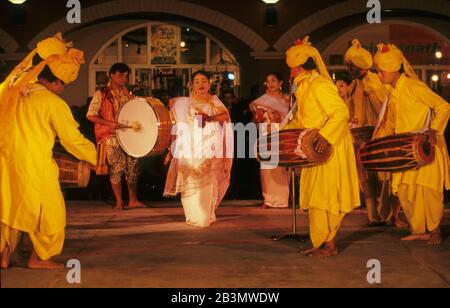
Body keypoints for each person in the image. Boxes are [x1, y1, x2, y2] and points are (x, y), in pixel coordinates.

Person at [0, 33, 97, 269]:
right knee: (50, 211)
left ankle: (4, 254)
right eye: (64, 84)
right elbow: (72, 139)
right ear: (57, 81)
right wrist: (95, 157)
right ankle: (38, 258)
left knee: (9, 204)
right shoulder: (53, 103)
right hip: (35, 164)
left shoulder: (10, 90)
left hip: (5, 160)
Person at [283, 37, 360, 257]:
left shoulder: (320, 85)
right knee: (318, 196)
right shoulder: (305, 86)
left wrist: (325, 137)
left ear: (298, 67)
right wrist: (284, 132)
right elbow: (305, 119)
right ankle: (326, 242)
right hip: (314, 149)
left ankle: (327, 243)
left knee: (324, 196)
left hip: (328, 147)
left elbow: (340, 112)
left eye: (291, 68)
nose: (290, 72)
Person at [374, 43, 450, 245]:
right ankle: (419, 229)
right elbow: (390, 122)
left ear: (393, 70)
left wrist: (433, 130)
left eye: (381, 71)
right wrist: (378, 142)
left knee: (428, 190)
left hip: (426, 147)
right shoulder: (392, 93)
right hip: (405, 150)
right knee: (407, 190)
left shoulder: (414, 87)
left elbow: (443, 106)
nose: (379, 75)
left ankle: (434, 231)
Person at [344, 39, 404, 227]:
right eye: (348, 65)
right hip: (361, 135)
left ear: (361, 66)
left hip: (380, 134)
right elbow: (349, 111)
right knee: (365, 178)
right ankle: (373, 215)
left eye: (351, 65)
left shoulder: (376, 81)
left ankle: (390, 214)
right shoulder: (354, 84)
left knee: (385, 177)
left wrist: (371, 93)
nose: (349, 69)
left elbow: (385, 109)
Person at [164, 71, 233, 227]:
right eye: (197, 81)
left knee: (209, 179)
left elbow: (225, 116)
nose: (201, 84)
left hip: (209, 145)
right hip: (189, 145)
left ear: (209, 84)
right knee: (189, 178)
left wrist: (209, 117)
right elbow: (175, 124)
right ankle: (192, 214)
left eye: (203, 81)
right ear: (191, 85)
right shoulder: (183, 103)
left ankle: (206, 214)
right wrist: (171, 150)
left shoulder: (214, 101)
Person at [86, 63, 146, 210]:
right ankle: (119, 201)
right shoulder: (102, 93)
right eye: (120, 75)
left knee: (132, 168)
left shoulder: (129, 94)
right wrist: (108, 123)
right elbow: (90, 115)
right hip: (110, 135)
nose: (124, 78)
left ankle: (133, 200)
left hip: (129, 135)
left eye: (126, 76)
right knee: (116, 168)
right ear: (111, 75)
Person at [249, 73, 290, 209]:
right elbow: (254, 121)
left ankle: (283, 200)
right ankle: (269, 200)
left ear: (281, 83)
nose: (270, 84)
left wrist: (279, 116)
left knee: (281, 167)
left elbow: (292, 117)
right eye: (267, 81)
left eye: (273, 80)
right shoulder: (261, 101)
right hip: (266, 133)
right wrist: (258, 117)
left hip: (282, 133)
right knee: (266, 167)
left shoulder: (288, 100)